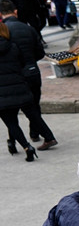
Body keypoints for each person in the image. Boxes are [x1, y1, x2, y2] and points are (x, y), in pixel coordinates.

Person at [1, 0, 57, 150]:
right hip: (33, 72)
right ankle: (36, 133)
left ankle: (17, 140)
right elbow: (40, 52)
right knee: (32, 107)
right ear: (15, 11)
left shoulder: (4, 31)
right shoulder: (28, 28)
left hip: (15, 75)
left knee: (11, 111)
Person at [0, 21, 38, 161]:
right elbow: (22, 64)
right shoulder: (14, 47)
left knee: (11, 122)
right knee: (13, 117)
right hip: (19, 87)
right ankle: (12, 143)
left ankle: (27, 147)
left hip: (2, 93)